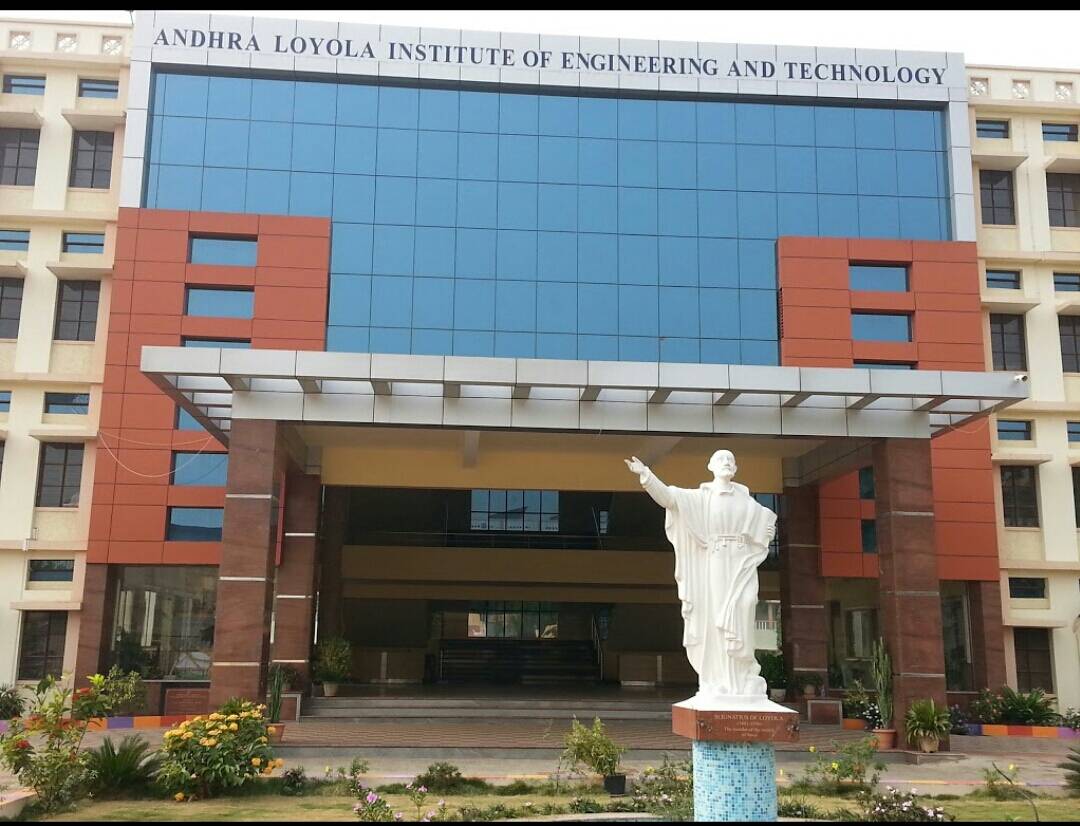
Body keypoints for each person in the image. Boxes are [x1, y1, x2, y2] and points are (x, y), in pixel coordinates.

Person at [625, 450, 777, 701]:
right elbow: (669, 499)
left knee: (746, 604)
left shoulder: (747, 500)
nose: (726, 463)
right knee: (718, 617)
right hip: (717, 559)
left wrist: (767, 530)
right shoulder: (702, 497)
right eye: (721, 460)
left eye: (730, 460)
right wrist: (646, 475)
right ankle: (720, 679)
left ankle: (743, 675)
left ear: (736, 468)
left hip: (743, 561)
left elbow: (764, 526)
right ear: (711, 466)